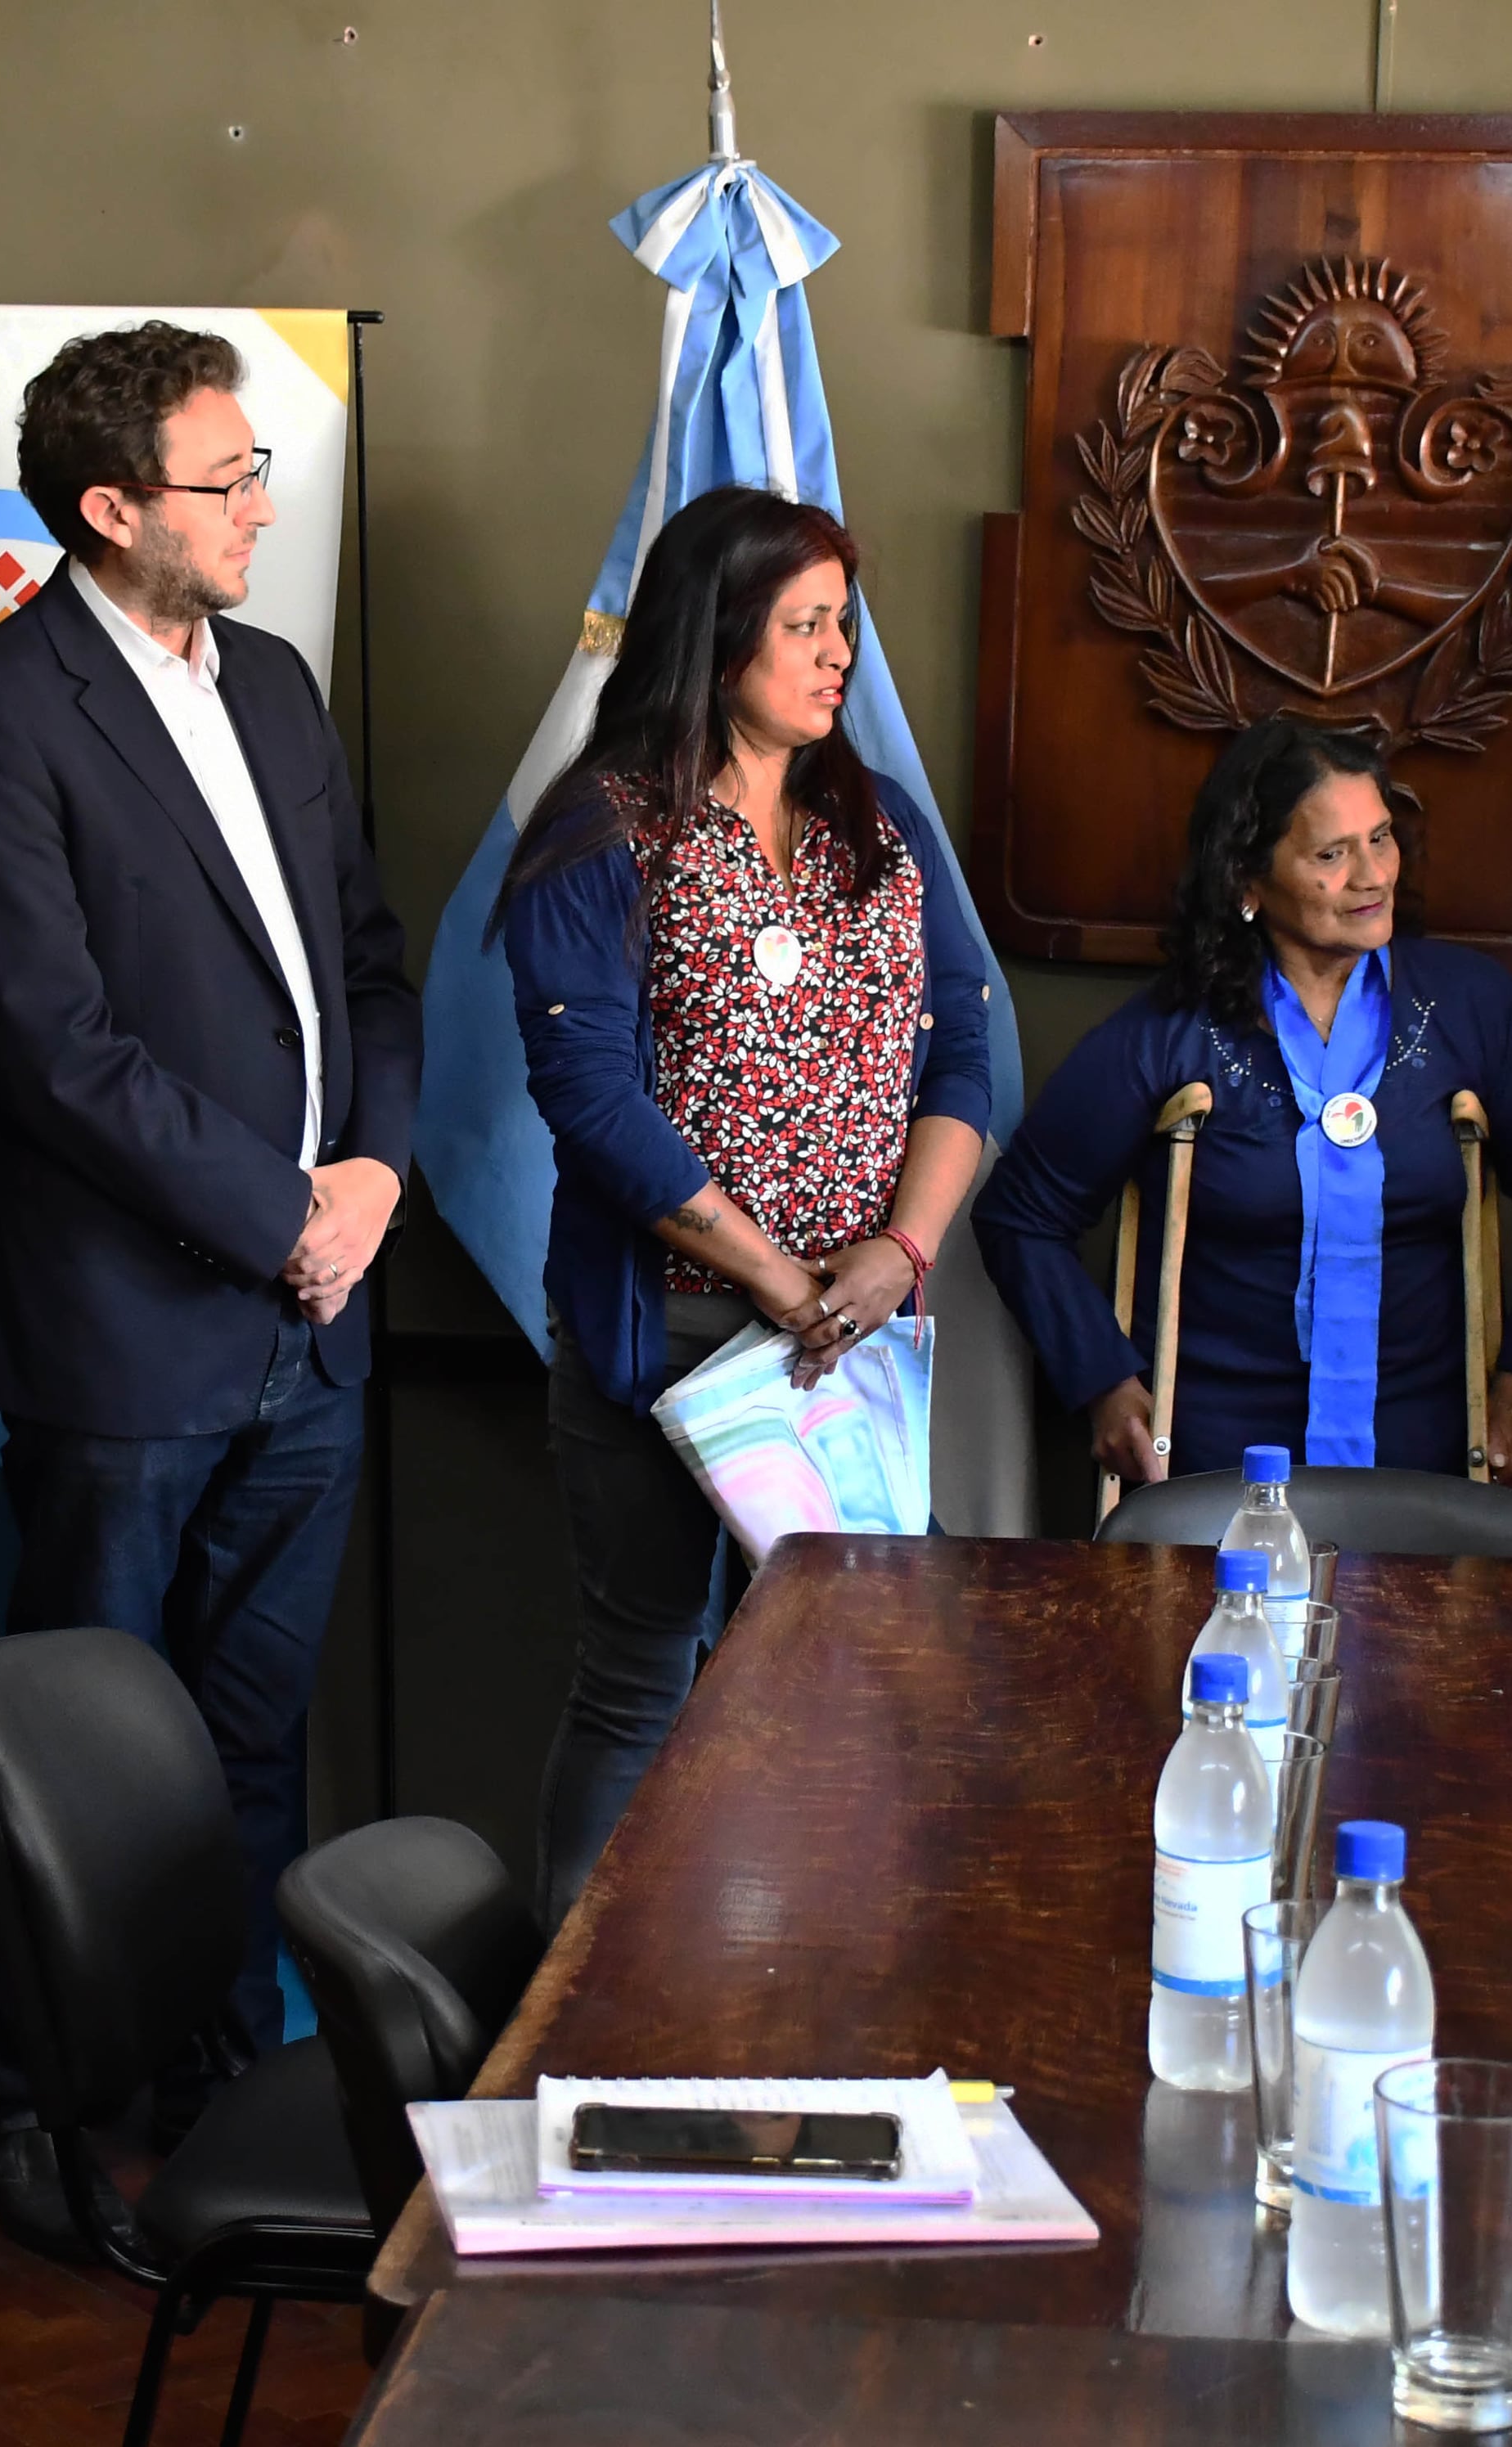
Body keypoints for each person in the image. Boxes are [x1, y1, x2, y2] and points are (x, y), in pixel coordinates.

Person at [0, 322, 420, 2255]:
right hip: (129, 1333)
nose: (266, 502)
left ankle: (222, 2089)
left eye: (259, 462)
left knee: (251, 1745)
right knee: (78, 1773)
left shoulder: (274, 682)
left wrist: (366, 1174)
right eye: (228, 477)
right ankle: (28, 2115)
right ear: (113, 511)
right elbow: (52, 1046)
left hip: (319, 1315)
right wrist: (272, 1207)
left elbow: (368, 954)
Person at [497, 484, 996, 1925]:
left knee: (837, 1687)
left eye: (846, 623)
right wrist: (782, 1284)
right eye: (806, 625)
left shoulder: (880, 824)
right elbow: (591, 1103)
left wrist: (901, 1252)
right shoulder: (602, 833)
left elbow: (966, 1048)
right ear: (716, 641)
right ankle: (577, 2035)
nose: (840, 655)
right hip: (674, 1332)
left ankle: (793, 1993)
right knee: (645, 1674)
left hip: (865, 1341)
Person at [973, 716, 1512, 1486]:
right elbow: (1021, 1213)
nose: (1374, 875)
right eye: (1332, 854)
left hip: (1427, 1467)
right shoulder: (1175, 1030)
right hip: (1215, 1467)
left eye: (1381, 838)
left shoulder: (1472, 1008)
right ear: (1247, 878)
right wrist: (1106, 1385)